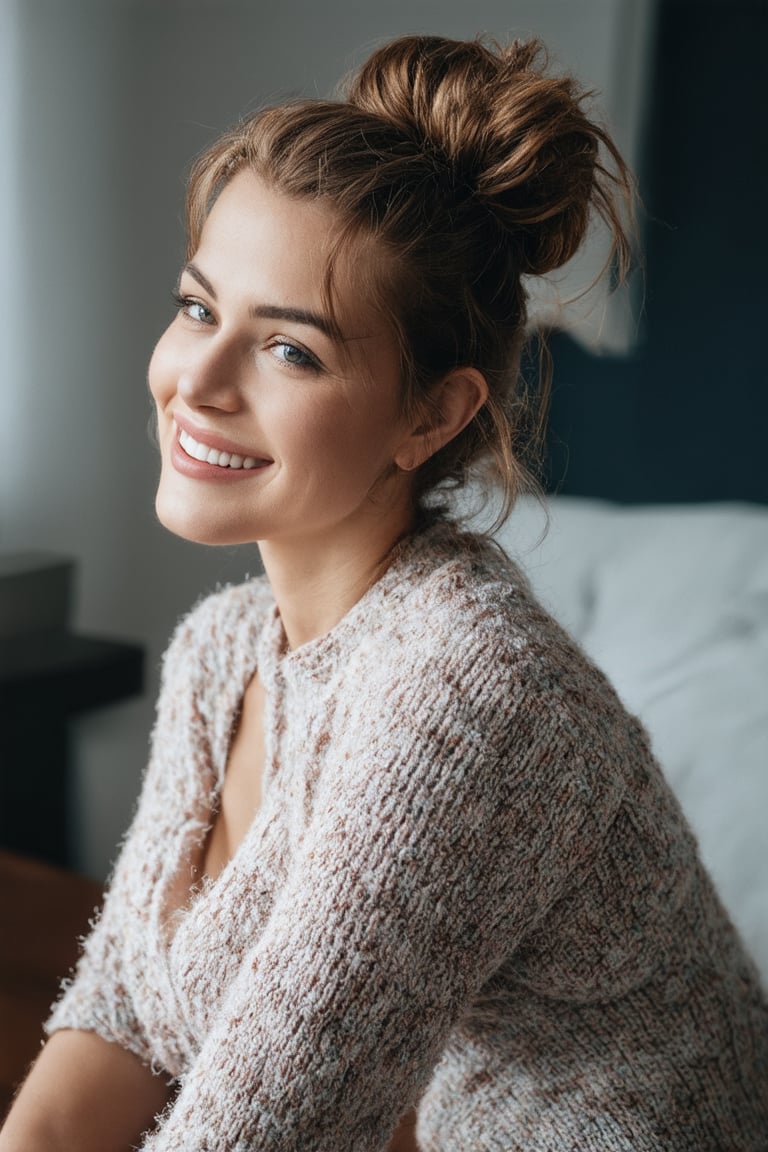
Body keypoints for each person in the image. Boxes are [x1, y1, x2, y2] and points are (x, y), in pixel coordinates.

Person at [2, 33, 766, 1152]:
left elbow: (257, 1133)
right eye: (200, 308)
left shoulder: (468, 697)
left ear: (435, 415)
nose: (198, 383)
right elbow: (123, 1015)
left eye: (292, 352)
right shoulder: (222, 651)